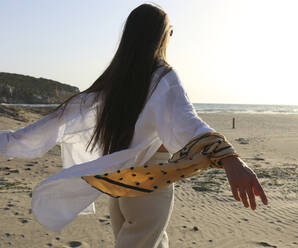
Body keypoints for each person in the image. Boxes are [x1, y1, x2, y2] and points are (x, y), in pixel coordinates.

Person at [0, 3, 268, 248]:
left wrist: (7, 141)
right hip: (148, 184)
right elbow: (188, 122)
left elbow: (57, 120)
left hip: (119, 184)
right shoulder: (163, 76)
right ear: (160, 36)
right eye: (170, 32)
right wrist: (231, 159)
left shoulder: (114, 81)